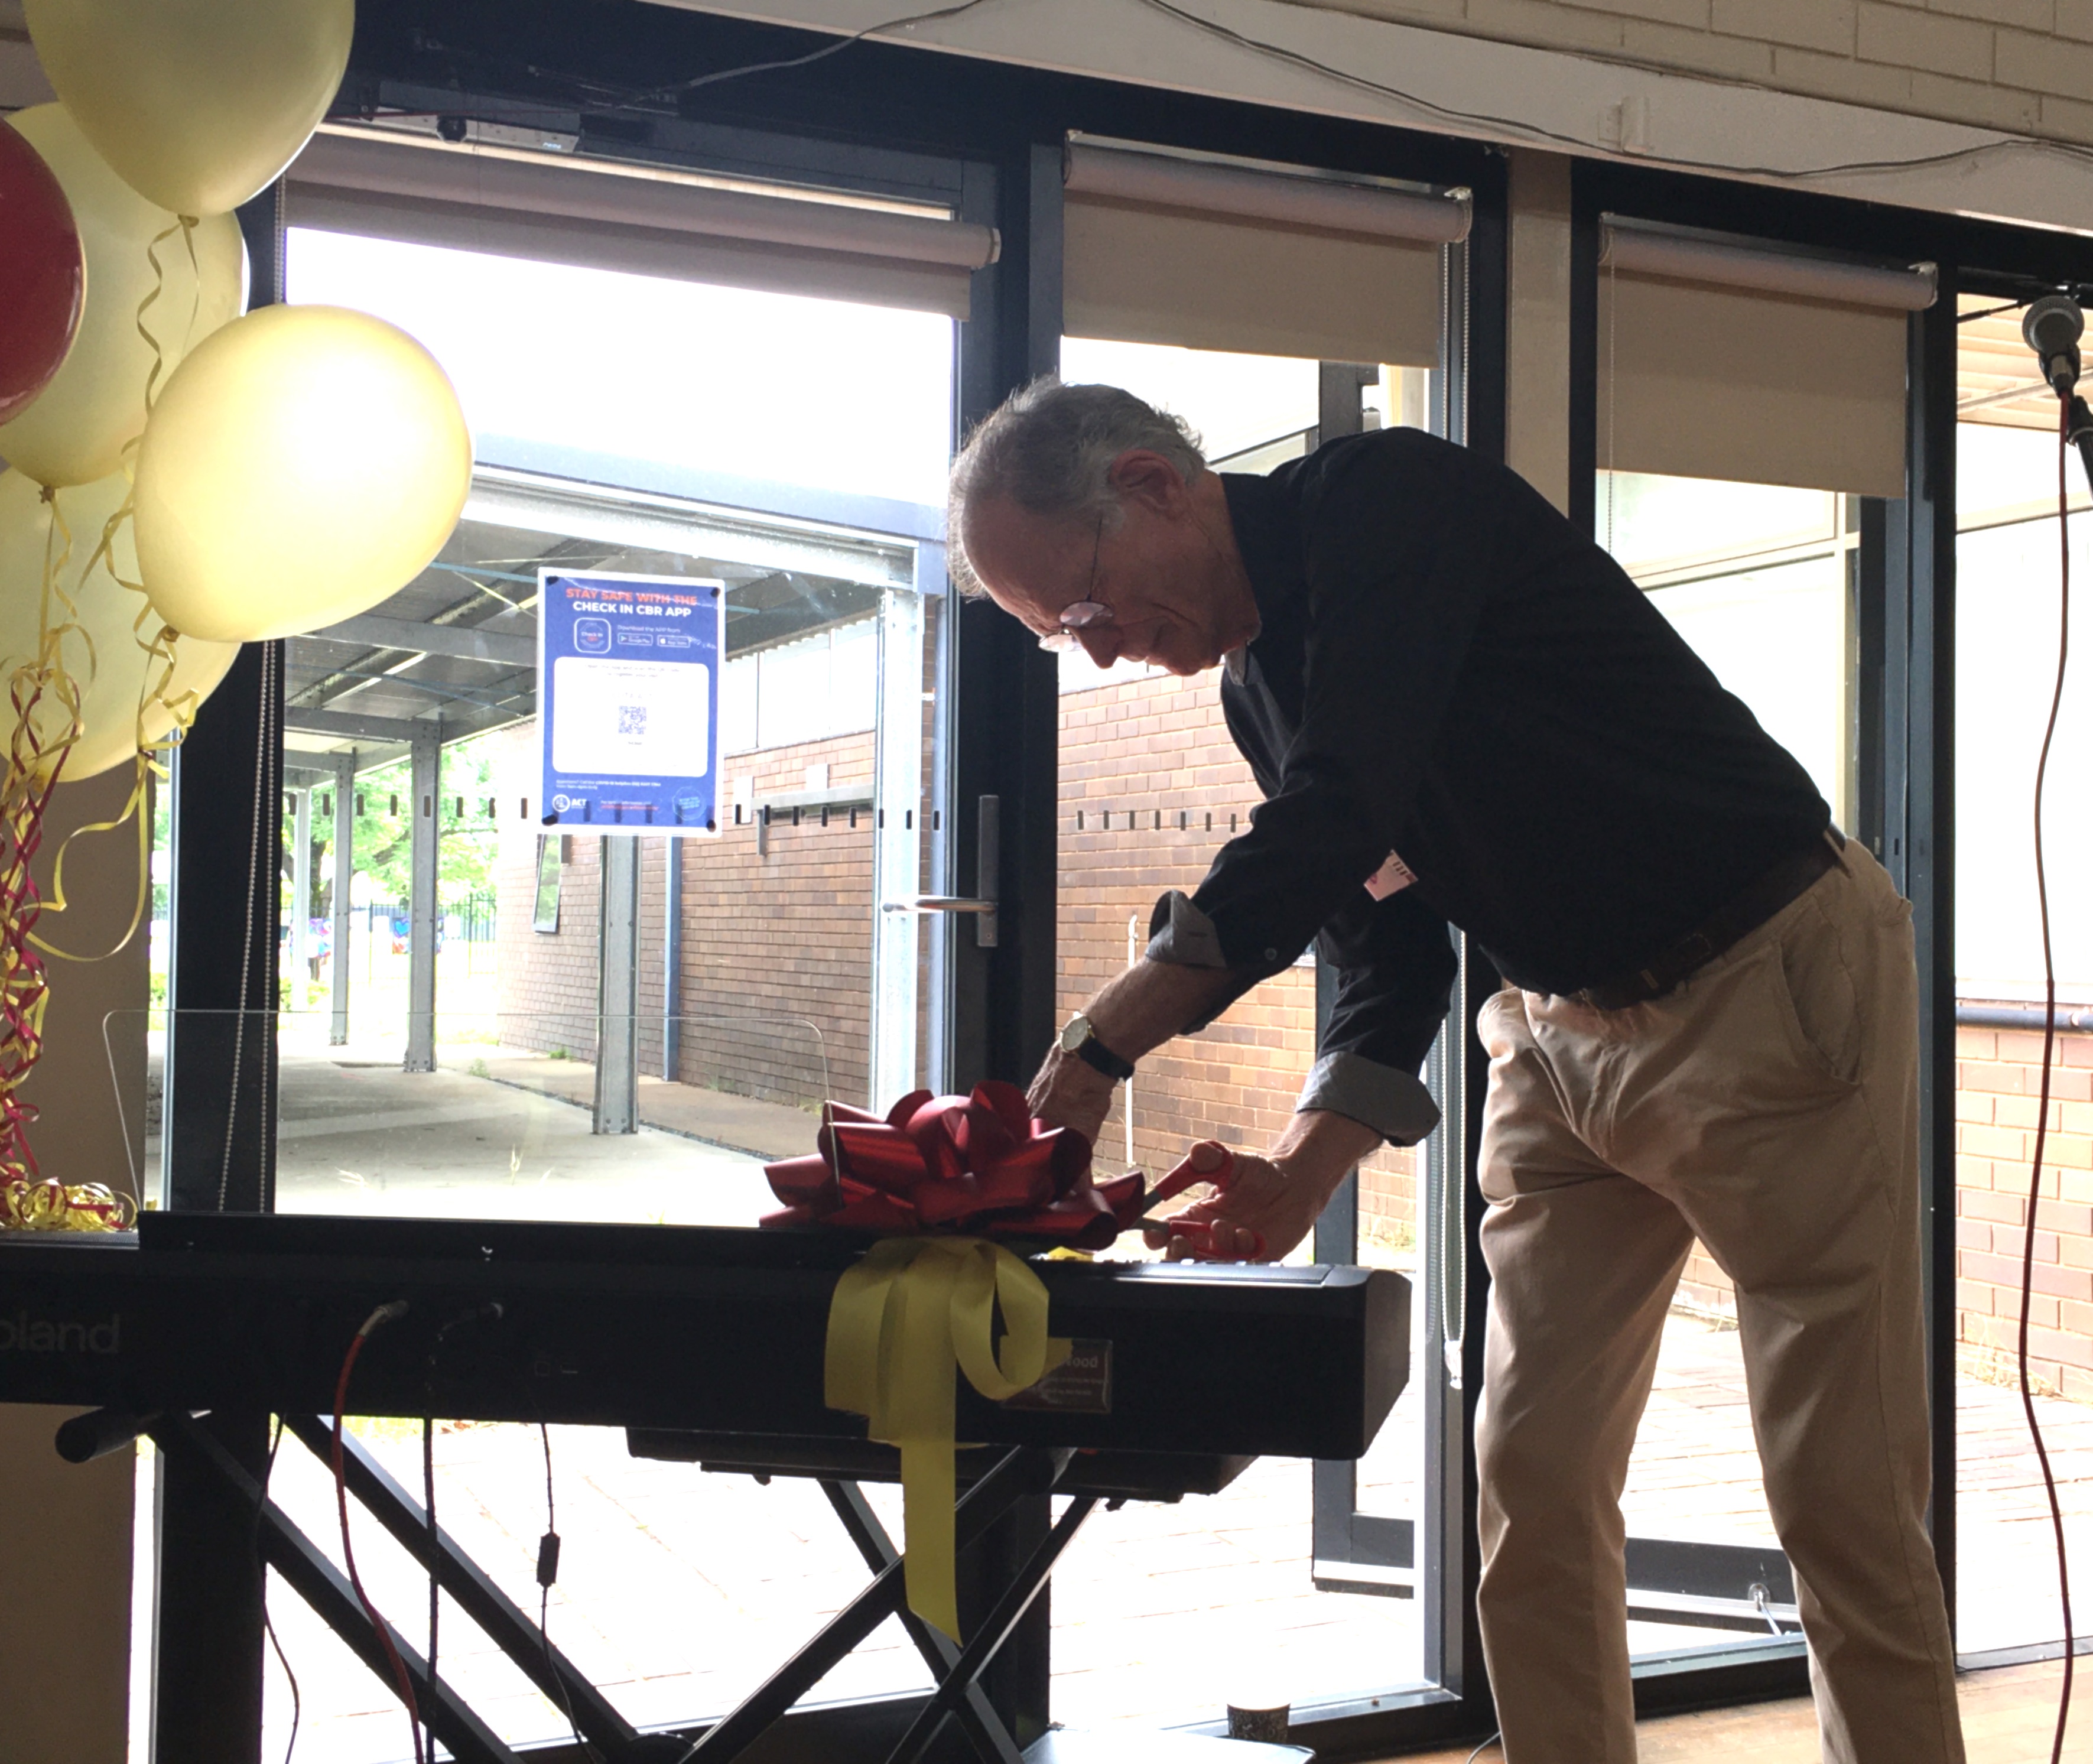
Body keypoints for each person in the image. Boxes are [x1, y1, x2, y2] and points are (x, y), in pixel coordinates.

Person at [945, 377, 1964, 1764]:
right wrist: (1302, 1173)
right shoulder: (1257, 689)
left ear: (1153, 484)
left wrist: (1099, 1039)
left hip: (1761, 976)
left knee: (1837, 1494)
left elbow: (1336, 812)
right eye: (1067, 638)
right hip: (1553, 1031)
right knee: (1529, 1476)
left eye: (1082, 608)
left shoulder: (1386, 505)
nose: (1105, 650)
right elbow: (1392, 950)